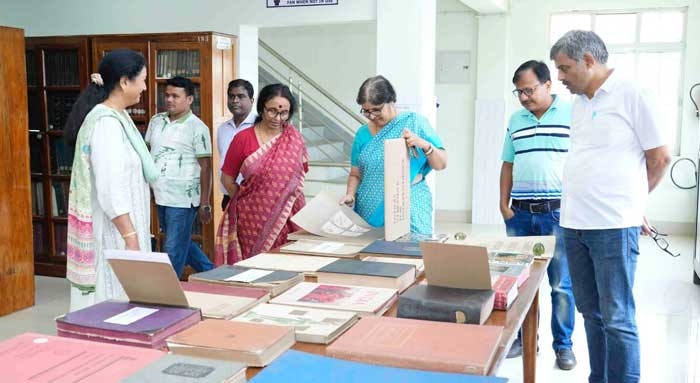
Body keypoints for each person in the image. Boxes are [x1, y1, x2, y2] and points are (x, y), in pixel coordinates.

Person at [550, 30, 671, 383]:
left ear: (588, 61)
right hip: (573, 224)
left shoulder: (632, 93)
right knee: (590, 312)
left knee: (617, 316)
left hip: (613, 225)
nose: (560, 77)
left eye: (564, 68)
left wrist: (635, 204)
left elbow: (660, 157)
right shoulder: (580, 103)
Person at [64, 49, 157, 312]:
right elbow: (110, 189)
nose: (145, 87)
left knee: (127, 303)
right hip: (113, 233)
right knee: (112, 305)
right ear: (125, 81)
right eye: (142, 79)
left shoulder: (119, 117)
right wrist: (130, 238)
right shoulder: (105, 124)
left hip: (124, 230)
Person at [499, 60, 576, 370]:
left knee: (560, 285)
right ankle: (521, 339)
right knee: (517, 281)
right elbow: (508, 163)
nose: (524, 97)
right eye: (518, 92)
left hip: (558, 214)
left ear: (548, 85)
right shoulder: (516, 119)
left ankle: (564, 346)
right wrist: (503, 205)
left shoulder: (572, 114)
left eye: (529, 90)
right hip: (520, 214)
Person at [340, 75, 447, 234]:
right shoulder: (362, 134)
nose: (371, 116)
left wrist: (423, 144)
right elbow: (356, 174)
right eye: (366, 111)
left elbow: (442, 164)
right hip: (369, 210)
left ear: (391, 101)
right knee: (372, 254)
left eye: (376, 109)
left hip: (408, 204)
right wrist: (350, 195)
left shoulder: (414, 123)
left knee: (411, 251)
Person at [216, 83, 308, 264]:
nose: (277, 117)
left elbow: (298, 177)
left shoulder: (294, 138)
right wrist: (247, 202)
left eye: (283, 113)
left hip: (288, 216)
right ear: (261, 108)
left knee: (286, 266)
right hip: (251, 220)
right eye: (272, 111)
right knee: (254, 266)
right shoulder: (243, 139)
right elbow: (227, 178)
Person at [145, 76, 215, 279]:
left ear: (190, 99)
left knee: (173, 247)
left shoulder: (198, 127)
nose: (169, 100)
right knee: (180, 240)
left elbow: (206, 167)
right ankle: (212, 274)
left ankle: (167, 295)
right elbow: (149, 153)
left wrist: (204, 202)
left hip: (183, 199)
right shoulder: (156, 121)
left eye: (175, 96)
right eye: (167, 95)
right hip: (160, 194)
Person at [217, 79, 256, 211]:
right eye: (231, 96)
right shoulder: (223, 129)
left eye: (241, 96)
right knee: (229, 232)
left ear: (252, 100)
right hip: (228, 196)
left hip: (253, 199)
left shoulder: (259, 127)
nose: (235, 100)